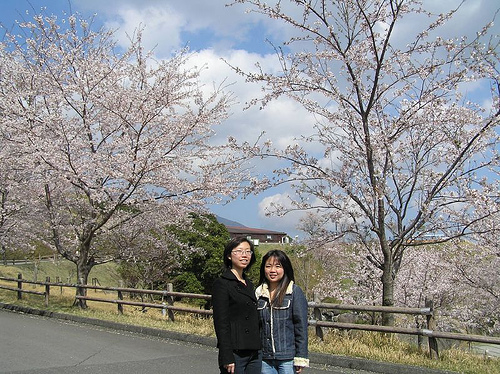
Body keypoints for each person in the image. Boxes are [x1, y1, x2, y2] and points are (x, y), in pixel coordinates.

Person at [212, 237, 262, 374]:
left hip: (254, 351)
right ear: (229, 255)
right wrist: (226, 355)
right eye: (239, 251)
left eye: (248, 251)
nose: (244, 255)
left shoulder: (249, 283)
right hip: (235, 352)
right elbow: (221, 322)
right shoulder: (222, 284)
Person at [256, 250, 309, 374]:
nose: (272, 270)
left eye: (277, 266)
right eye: (268, 266)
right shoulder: (259, 293)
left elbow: (301, 327)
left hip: (287, 359)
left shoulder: (294, 292)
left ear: (285, 268)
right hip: (265, 358)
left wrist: (300, 358)